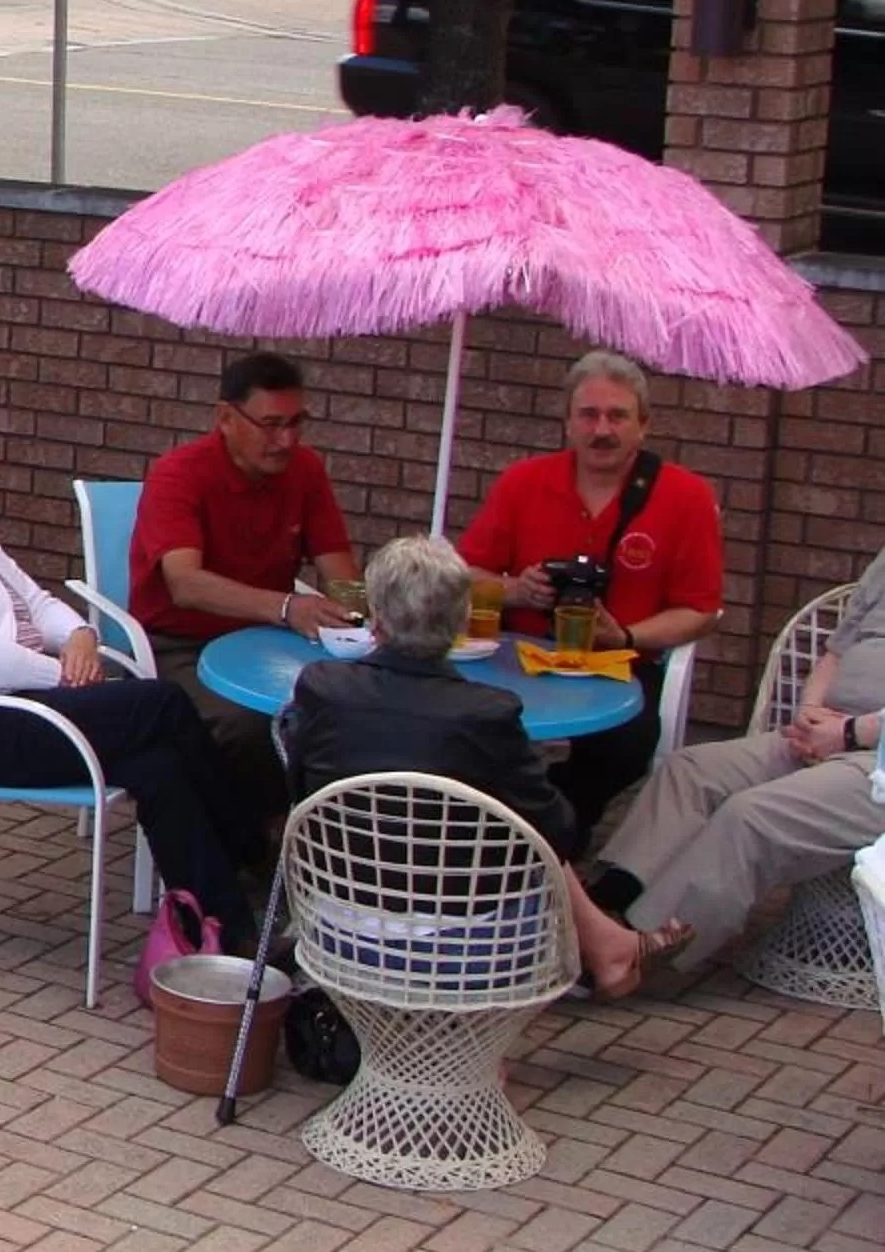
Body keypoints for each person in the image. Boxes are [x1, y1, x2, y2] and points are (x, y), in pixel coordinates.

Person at [0, 420, 269, 953]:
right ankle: (252, 854)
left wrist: (78, 634)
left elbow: (35, 601)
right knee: (164, 703)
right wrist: (59, 673)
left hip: (17, 705)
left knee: (159, 767)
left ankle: (225, 927)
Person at [279, 536, 693, 998]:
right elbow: (559, 830)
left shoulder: (322, 687)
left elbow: (300, 790)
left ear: (376, 618)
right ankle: (605, 948)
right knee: (527, 834)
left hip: (332, 921)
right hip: (465, 945)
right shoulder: (486, 713)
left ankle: (608, 948)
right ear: (460, 621)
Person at [455, 351, 722, 841]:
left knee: (626, 744)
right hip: (517, 654)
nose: (602, 429)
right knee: (460, 722)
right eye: (589, 415)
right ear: (568, 423)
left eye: (618, 416)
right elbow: (463, 573)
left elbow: (700, 611)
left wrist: (624, 633)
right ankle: (505, 824)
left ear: (644, 426)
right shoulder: (524, 482)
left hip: (620, 660)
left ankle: (546, 830)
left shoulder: (686, 497)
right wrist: (518, 590)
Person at [590, 541, 885, 980]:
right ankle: (605, 908)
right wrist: (809, 712)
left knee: (751, 816)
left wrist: (846, 733)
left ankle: (641, 951)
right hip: (827, 731)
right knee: (688, 771)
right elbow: (836, 652)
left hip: (876, 762)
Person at [130, 351, 364, 807]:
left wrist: (367, 619)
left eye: (297, 422)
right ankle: (258, 854)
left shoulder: (307, 470)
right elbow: (186, 584)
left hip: (270, 641)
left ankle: (328, 839)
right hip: (179, 644)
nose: (286, 440)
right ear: (225, 417)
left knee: (361, 706)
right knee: (249, 725)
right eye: (271, 424)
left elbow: (340, 571)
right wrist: (286, 607)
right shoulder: (179, 474)